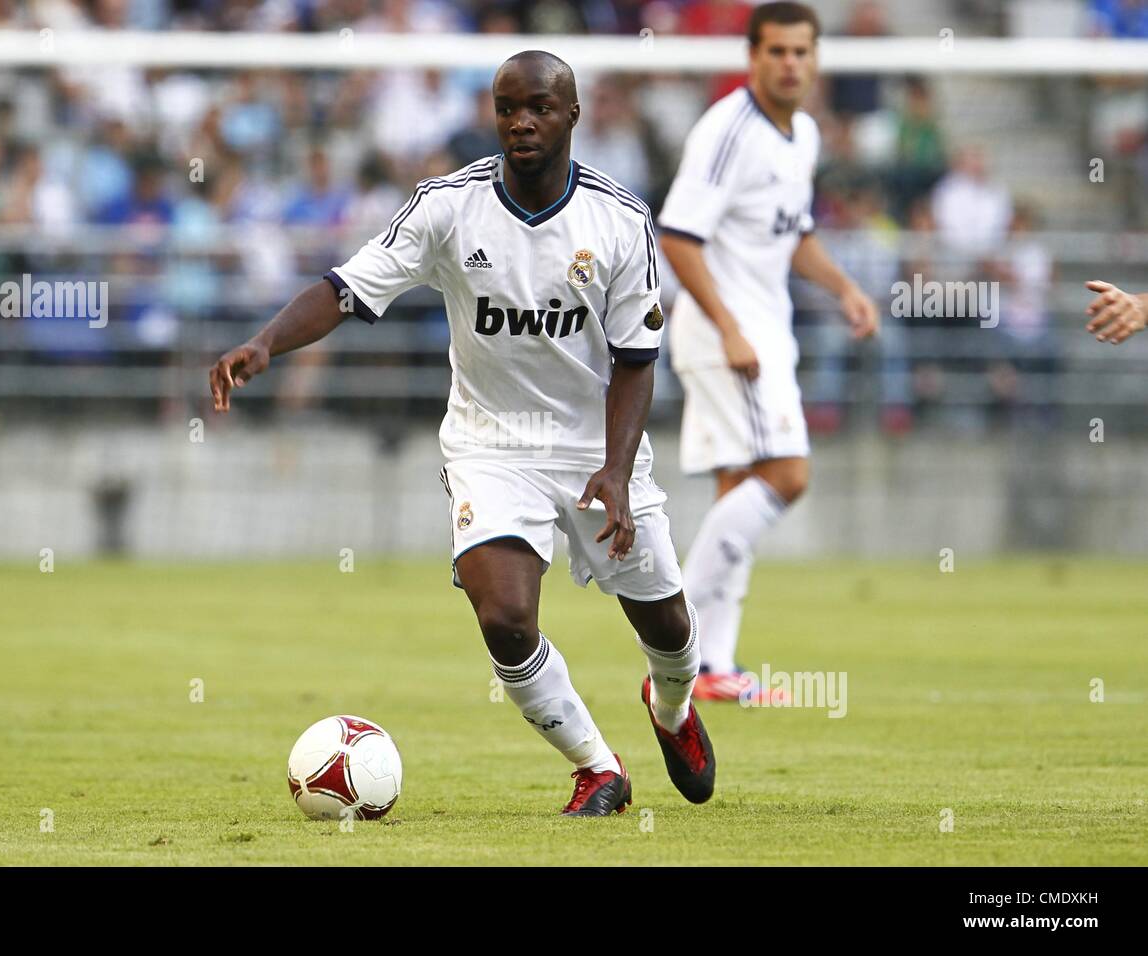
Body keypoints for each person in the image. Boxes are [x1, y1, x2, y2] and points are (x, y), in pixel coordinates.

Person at [210, 51, 715, 816]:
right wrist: (266, 345)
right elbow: (347, 289)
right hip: (490, 444)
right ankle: (597, 767)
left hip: (595, 446)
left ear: (572, 115)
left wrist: (615, 472)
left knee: (668, 624)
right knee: (505, 618)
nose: (522, 121)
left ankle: (670, 708)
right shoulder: (448, 206)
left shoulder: (619, 219)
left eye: (540, 106)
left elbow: (638, 362)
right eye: (508, 107)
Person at [657, 2, 879, 701]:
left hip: (761, 330)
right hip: (731, 336)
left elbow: (795, 233)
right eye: (777, 51)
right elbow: (678, 237)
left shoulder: (803, 134)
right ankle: (672, 636)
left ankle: (714, 667)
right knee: (788, 475)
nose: (790, 64)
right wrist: (727, 326)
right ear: (752, 56)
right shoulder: (727, 131)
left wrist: (844, 286)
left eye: (801, 52)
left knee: (740, 488)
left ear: (816, 60)